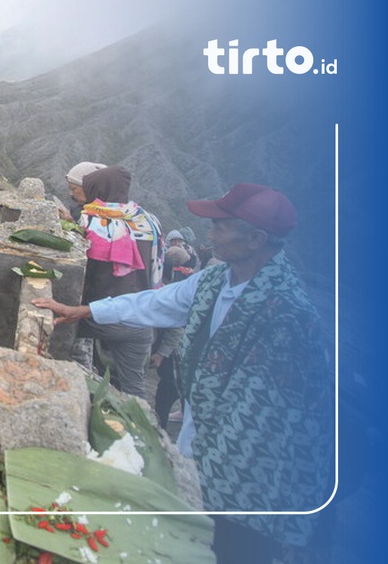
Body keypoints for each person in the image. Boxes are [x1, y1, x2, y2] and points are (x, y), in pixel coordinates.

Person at [32, 184, 331, 563]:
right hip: (200, 448)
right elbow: (155, 302)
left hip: (251, 480)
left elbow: (262, 420)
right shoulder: (215, 281)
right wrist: (85, 310)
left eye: (221, 227)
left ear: (255, 239)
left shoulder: (287, 315)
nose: (211, 234)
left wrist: (194, 474)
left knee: (225, 550)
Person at [72, 165, 162, 399]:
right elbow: (157, 266)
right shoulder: (148, 220)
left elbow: (81, 270)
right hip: (141, 316)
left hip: (100, 315)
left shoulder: (91, 220)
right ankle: (141, 431)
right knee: (134, 389)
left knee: (69, 357)